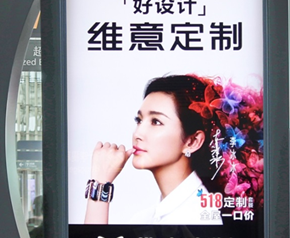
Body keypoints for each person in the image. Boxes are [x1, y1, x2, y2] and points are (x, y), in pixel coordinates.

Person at [84, 75, 263, 225]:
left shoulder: (202, 217)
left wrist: (100, 186)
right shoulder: (143, 219)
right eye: (139, 120)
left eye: (156, 122)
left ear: (192, 141)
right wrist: (100, 182)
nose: (138, 133)